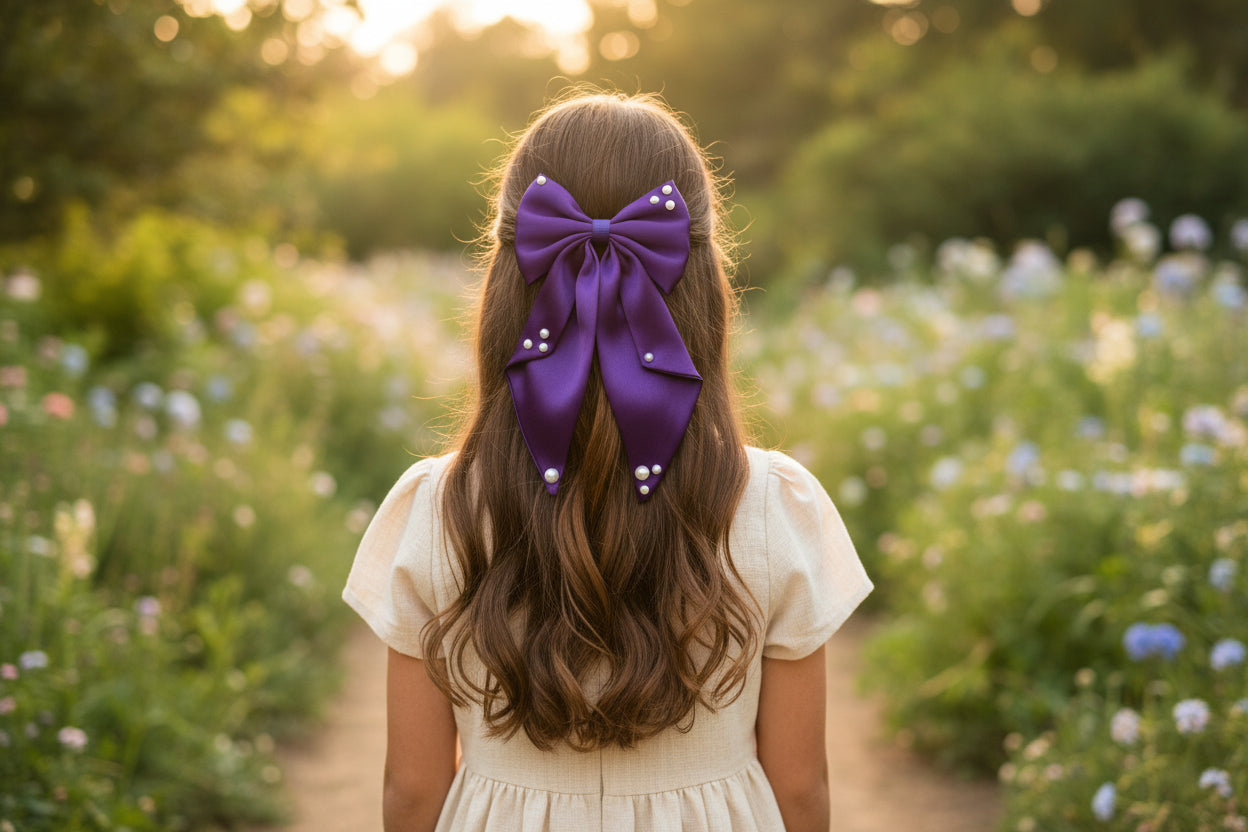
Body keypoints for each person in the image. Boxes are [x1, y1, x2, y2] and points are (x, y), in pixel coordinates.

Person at [343, 90, 873, 832]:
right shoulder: (773, 504)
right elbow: (803, 785)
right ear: (703, 284)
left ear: (506, 277)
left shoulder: (439, 506)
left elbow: (411, 788)